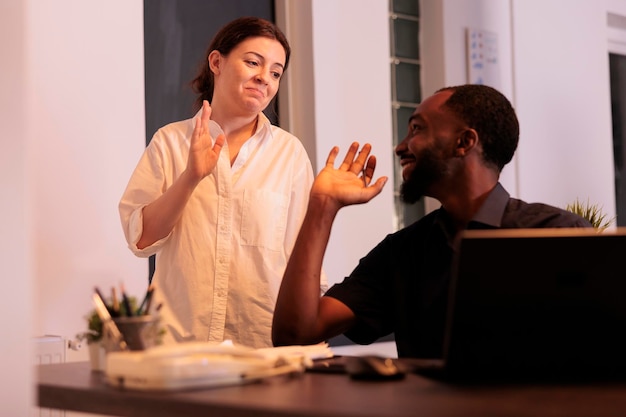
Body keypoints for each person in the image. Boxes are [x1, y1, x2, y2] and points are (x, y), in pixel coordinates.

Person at [272, 84, 591, 358]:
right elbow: (296, 334)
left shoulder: (557, 234)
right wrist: (322, 207)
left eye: (417, 129)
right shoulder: (403, 252)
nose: (400, 146)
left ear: (464, 142)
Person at [119, 16, 326, 349]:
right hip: (180, 346)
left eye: (275, 72)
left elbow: (302, 256)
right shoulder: (170, 142)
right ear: (217, 62)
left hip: (262, 348)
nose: (264, 78)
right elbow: (141, 239)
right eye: (252, 62)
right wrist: (191, 177)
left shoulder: (290, 154)